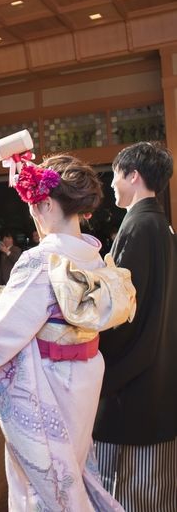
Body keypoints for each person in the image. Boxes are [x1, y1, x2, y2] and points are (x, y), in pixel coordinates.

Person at [0, 154, 130, 510]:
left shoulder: (41, 260)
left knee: (42, 489)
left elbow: (1, 335)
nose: (33, 214)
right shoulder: (92, 256)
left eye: (33, 206)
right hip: (84, 376)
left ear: (46, 204)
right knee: (71, 469)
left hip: (51, 383)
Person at [93, 142, 176, 509]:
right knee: (156, 491)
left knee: (127, 491)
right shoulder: (161, 225)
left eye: (115, 175)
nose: (112, 184)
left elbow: (123, 311)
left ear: (133, 175)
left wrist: (94, 349)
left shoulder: (138, 226)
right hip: (160, 370)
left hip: (134, 380)